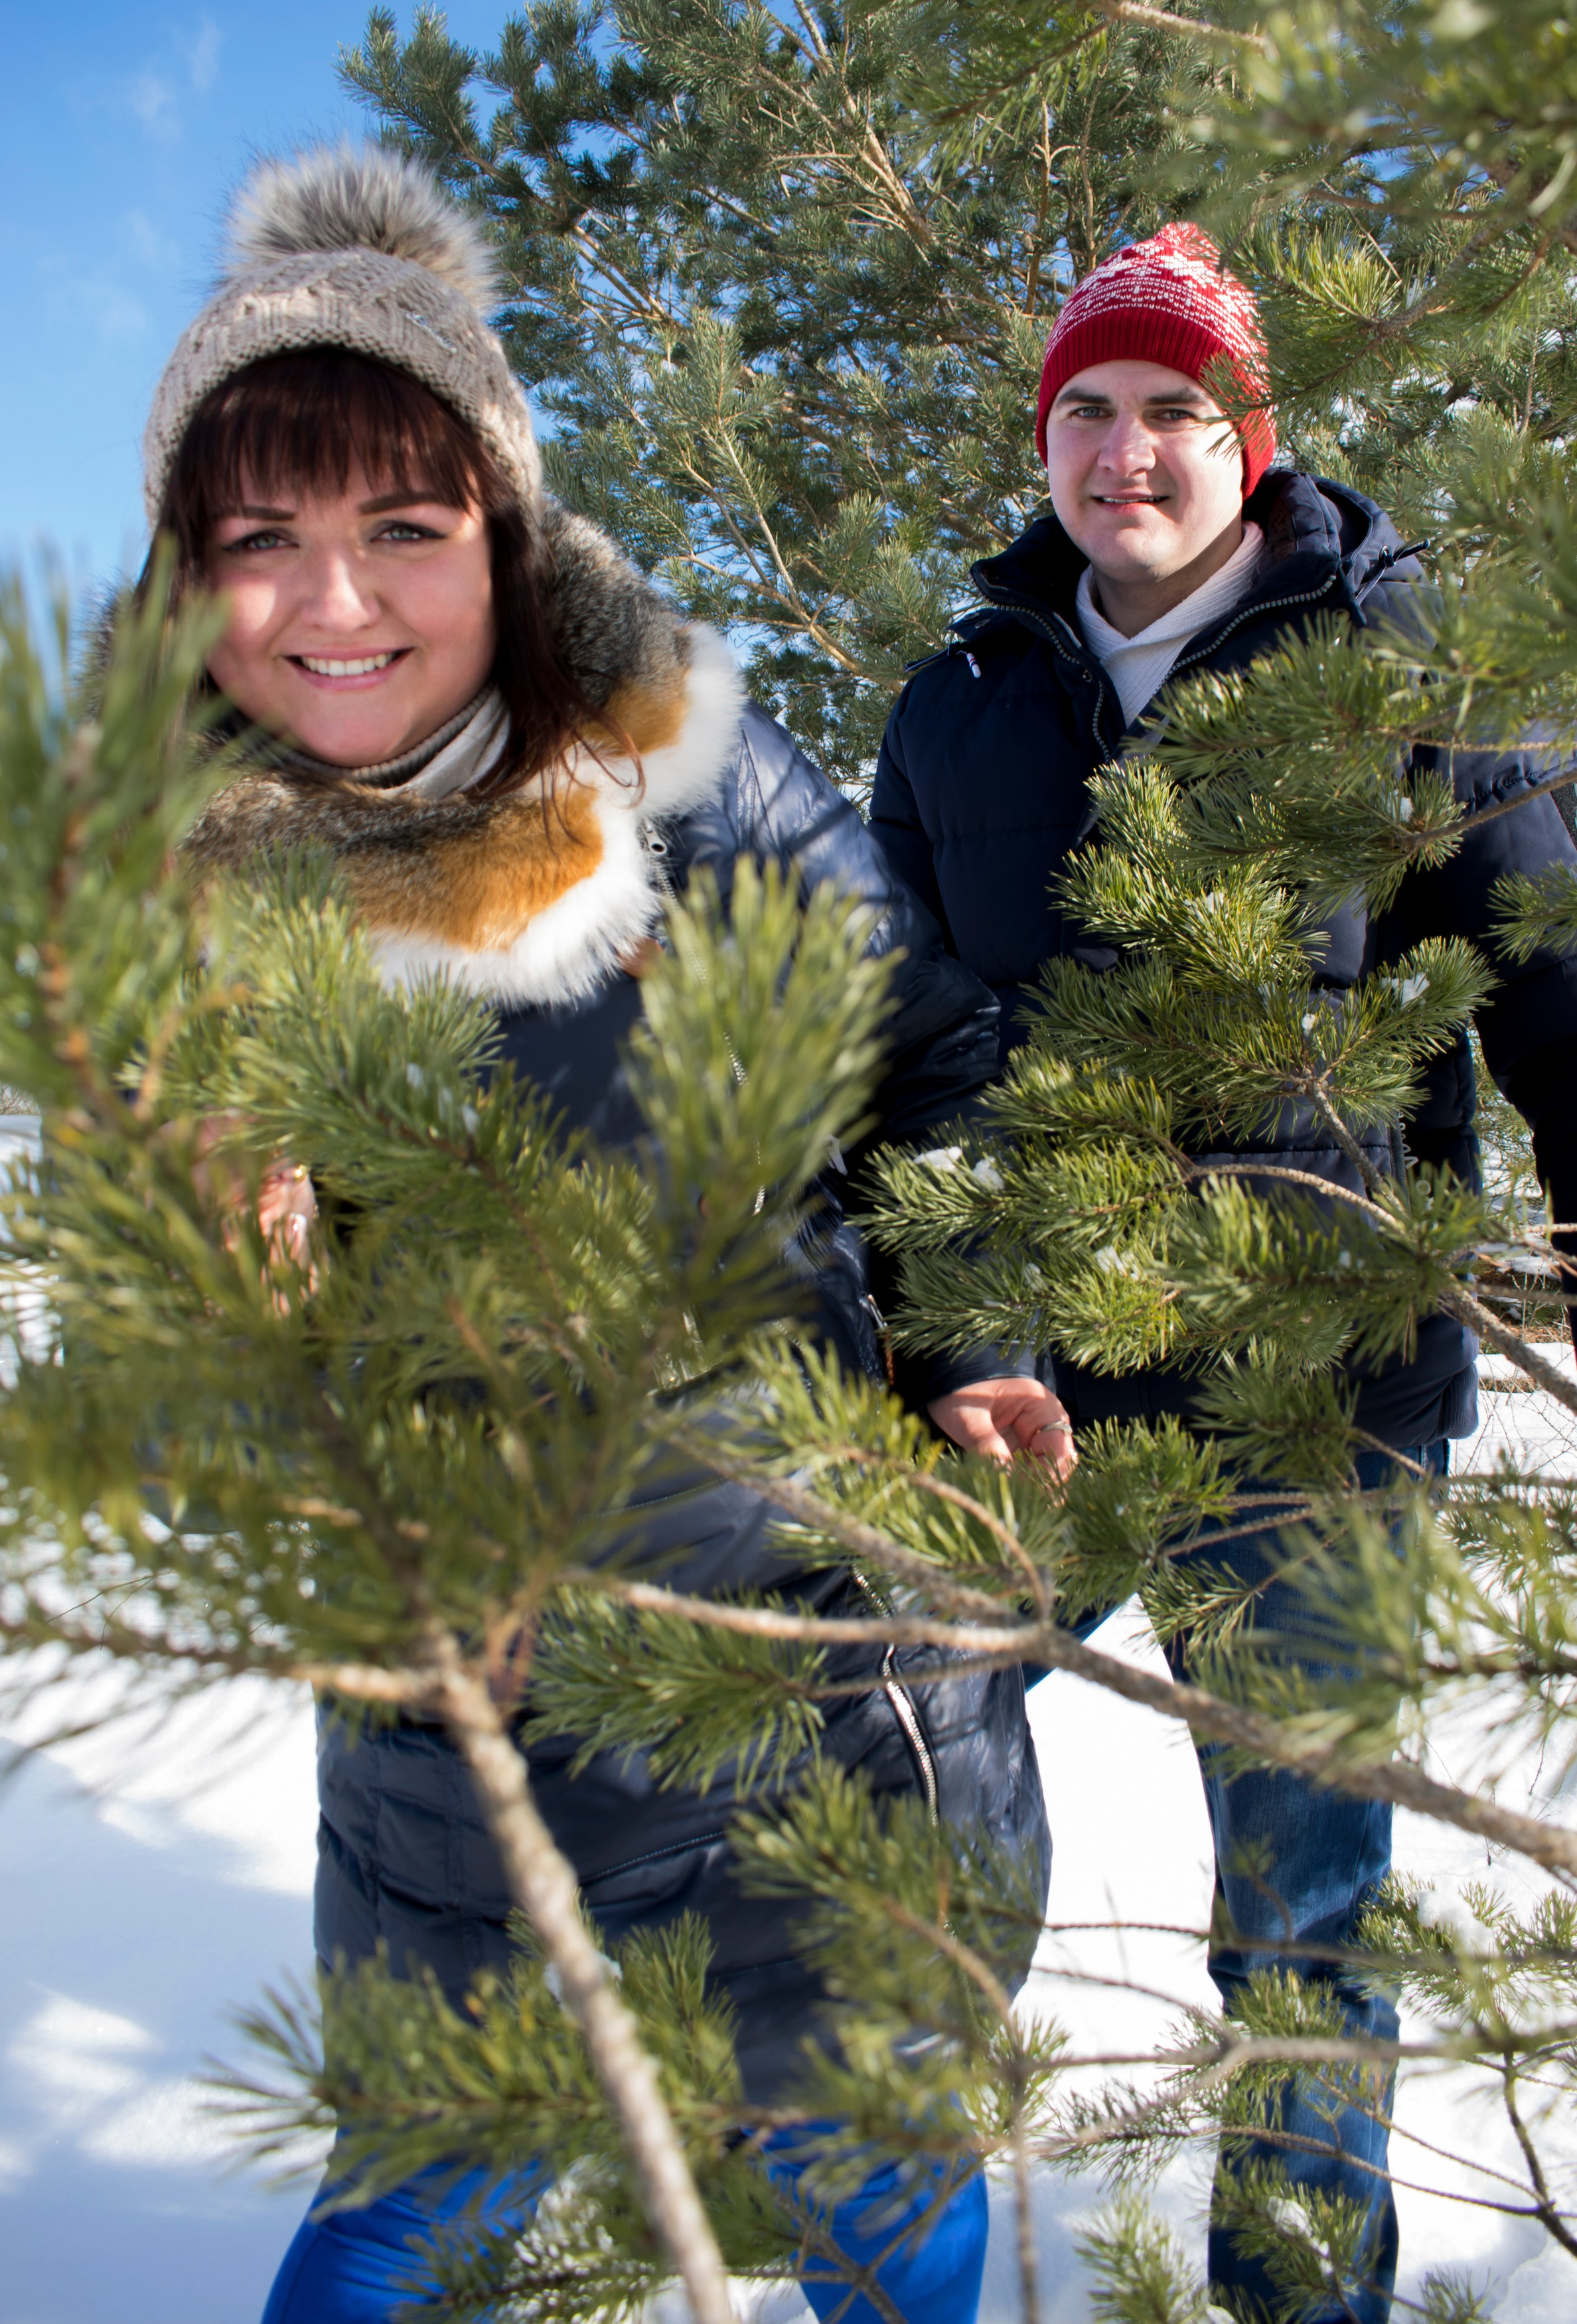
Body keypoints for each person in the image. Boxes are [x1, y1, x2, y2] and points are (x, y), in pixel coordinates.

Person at [125, 145, 1061, 2323]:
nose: (336, 600)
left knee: (870, 2181)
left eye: (404, 527)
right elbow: (157, 1407)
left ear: (507, 533)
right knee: (415, 2213)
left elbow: (930, 1058)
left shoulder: (683, 774)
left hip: (808, 1652)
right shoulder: (162, 899)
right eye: (262, 539)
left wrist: (978, 1347)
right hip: (474, 1734)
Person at [869, 224, 1577, 2322]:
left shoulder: (1421, 675)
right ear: (1041, 439)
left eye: (1175, 409)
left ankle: (1300, 2298)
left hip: (1319, 1408)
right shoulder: (959, 708)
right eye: (1084, 410)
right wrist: (956, 1338)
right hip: (1026, 1409)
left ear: (1254, 434)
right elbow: (892, 1061)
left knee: (1306, 1928)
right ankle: (886, 2264)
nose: (1124, 453)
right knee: (873, 1828)